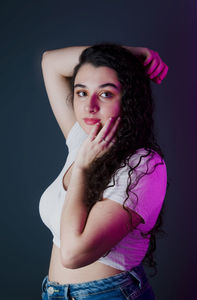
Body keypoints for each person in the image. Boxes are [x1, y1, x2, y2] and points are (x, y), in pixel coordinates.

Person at [39, 43, 168, 299]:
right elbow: (50, 62)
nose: (90, 106)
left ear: (129, 99)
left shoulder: (143, 165)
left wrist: (83, 171)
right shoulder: (82, 141)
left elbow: (74, 253)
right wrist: (128, 53)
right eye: (82, 92)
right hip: (52, 293)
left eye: (106, 94)